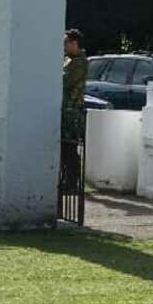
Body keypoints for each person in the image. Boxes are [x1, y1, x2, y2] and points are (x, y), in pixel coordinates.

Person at [61, 29, 88, 189]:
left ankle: (72, 181)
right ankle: (67, 179)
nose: (64, 46)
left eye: (66, 42)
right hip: (65, 109)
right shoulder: (68, 60)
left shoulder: (79, 62)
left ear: (74, 43)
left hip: (71, 111)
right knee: (64, 148)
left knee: (69, 147)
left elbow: (65, 81)